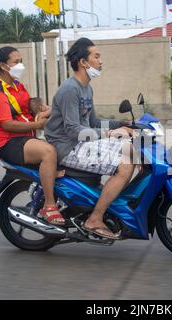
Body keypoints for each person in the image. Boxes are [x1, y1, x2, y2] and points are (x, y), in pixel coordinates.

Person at [45, 38, 135, 240]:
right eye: (96, 56)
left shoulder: (87, 88)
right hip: (67, 146)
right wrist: (111, 134)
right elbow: (73, 130)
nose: (100, 60)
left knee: (131, 149)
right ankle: (95, 219)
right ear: (83, 62)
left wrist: (123, 124)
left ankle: (115, 205)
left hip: (81, 142)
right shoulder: (70, 89)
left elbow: (93, 121)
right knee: (126, 165)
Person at [0, 46, 65, 225]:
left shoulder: (18, 85)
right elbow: (7, 124)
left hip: (24, 138)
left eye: (21, 61)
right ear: (4, 66)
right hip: (6, 142)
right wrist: (37, 124)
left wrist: (50, 109)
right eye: (16, 62)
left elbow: (28, 106)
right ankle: (50, 206)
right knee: (48, 152)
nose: (21, 65)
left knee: (61, 148)